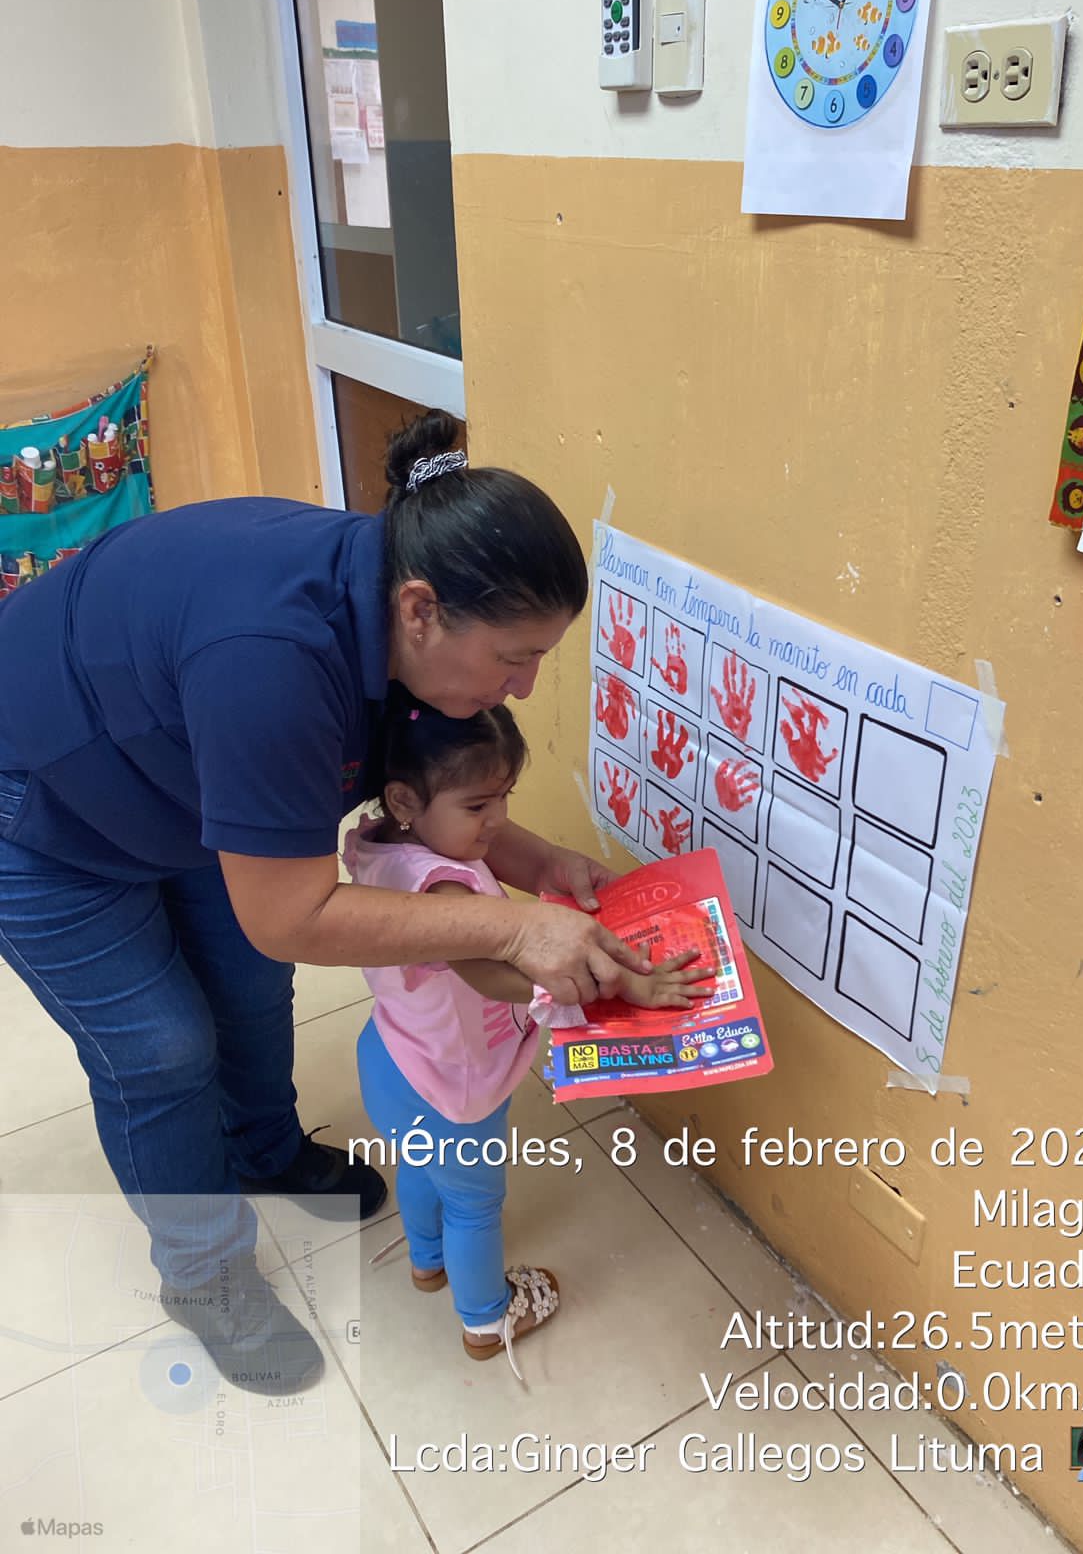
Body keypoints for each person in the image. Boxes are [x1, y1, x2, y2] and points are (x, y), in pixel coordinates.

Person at [0, 410, 648, 1394]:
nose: (524, 685)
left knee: (251, 987)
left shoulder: (397, 609)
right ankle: (204, 1275)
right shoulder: (272, 661)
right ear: (422, 610)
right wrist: (518, 923)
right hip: (37, 798)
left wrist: (539, 860)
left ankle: (263, 1149)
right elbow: (290, 916)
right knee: (162, 1047)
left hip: (177, 772)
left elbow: (429, 795)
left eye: (540, 657)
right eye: (513, 656)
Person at [345, 692, 714, 1378]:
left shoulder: (385, 845)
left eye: (505, 797)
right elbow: (487, 971)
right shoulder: (442, 889)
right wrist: (612, 983)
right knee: (475, 1204)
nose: (498, 821)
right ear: (403, 798)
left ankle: (427, 1261)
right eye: (478, 806)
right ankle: (487, 1318)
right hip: (456, 1088)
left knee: (421, 1167)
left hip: (394, 1056)